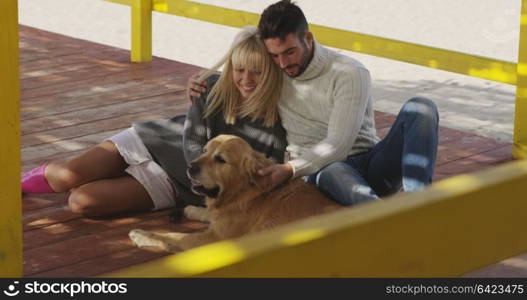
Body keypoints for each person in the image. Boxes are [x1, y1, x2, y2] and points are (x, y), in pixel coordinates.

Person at [190, 0, 439, 206]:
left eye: (289, 51)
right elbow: (243, 71)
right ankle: (387, 219)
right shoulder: (276, 70)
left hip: (369, 162)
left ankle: (419, 204)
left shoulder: (349, 72)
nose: (283, 63)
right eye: (274, 55)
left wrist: (288, 169)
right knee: (333, 171)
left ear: (308, 38)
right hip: (321, 173)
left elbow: (339, 144)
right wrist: (202, 82)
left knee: (422, 107)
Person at [21, 26, 287, 217]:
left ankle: (110, 178)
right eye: (239, 70)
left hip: (177, 184)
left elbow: (262, 177)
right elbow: (192, 142)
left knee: (81, 201)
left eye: (257, 72)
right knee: (68, 175)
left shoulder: (281, 120)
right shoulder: (210, 86)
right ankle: (12, 185)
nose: (246, 79)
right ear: (231, 67)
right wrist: (201, 172)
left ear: (272, 72)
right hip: (153, 142)